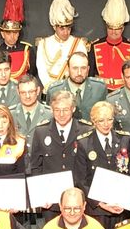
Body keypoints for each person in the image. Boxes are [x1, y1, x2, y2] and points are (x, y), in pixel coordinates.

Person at [74, 101, 130, 229]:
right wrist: (100, 203)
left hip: (121, 208)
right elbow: (80, 180)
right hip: (97, 211)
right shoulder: (84, 143)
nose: (106, 124)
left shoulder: (124, 139)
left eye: (109, 119)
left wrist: (125, 201)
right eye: (101, 120)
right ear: (93, 121)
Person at [29, 90, 89, 220]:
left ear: (73, 109)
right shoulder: (41, 131)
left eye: (65, 110)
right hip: (51, 202)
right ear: (51, 109)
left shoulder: (85, 130)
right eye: (57, 110)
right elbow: (36, 167)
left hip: (78, 201)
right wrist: (41, 195)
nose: (61, 114)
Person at [35, 0, 88, 90]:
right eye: (62, 28)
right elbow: (41, 69)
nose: (66, 32)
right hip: (50, 88)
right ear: (54, 27)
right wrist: (50, 87)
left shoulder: (79, 44)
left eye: (68, 28)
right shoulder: (43, 44)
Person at [90, 0, 130, 92]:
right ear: (106, 27)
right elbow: (90, 74)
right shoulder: (95, 46)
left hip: (124, 91)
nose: (114, 32)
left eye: (117, 29)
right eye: (110, 28)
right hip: (100, 91)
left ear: (123, 28)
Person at [0, 0, 36, 82]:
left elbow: (32, 74)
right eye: (8, 33)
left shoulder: (27, 50)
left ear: (19, 33)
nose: (12, 36)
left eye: (15, 32)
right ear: (2, 33)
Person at [45, 51, 108, 121]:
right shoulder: (54, 90)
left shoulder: (99, 88)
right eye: (75, 68)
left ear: (88, 69)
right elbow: (50, 119)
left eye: (83, 68)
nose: (79, 72)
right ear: (68, 69)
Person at [9, 73, 52, 142]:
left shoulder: (50, 114)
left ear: (38, 90)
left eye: (31, 92)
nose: (27, 96)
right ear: (18, 92)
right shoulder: (10, 114)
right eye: (23, 92)